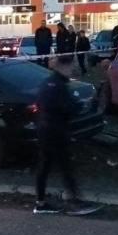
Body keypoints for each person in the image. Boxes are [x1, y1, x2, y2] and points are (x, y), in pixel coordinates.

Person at [33, 55, 99, 216]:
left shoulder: (49, 82)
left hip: (45, 129)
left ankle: (40, 203)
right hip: (55, 131)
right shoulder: (58, 85)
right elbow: (67, 108)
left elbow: (42, 104)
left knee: (45, 166)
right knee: (65, 167)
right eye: (72, 66)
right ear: (64, 66)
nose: (73, 69)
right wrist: (84, 105)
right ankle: (75, 202)